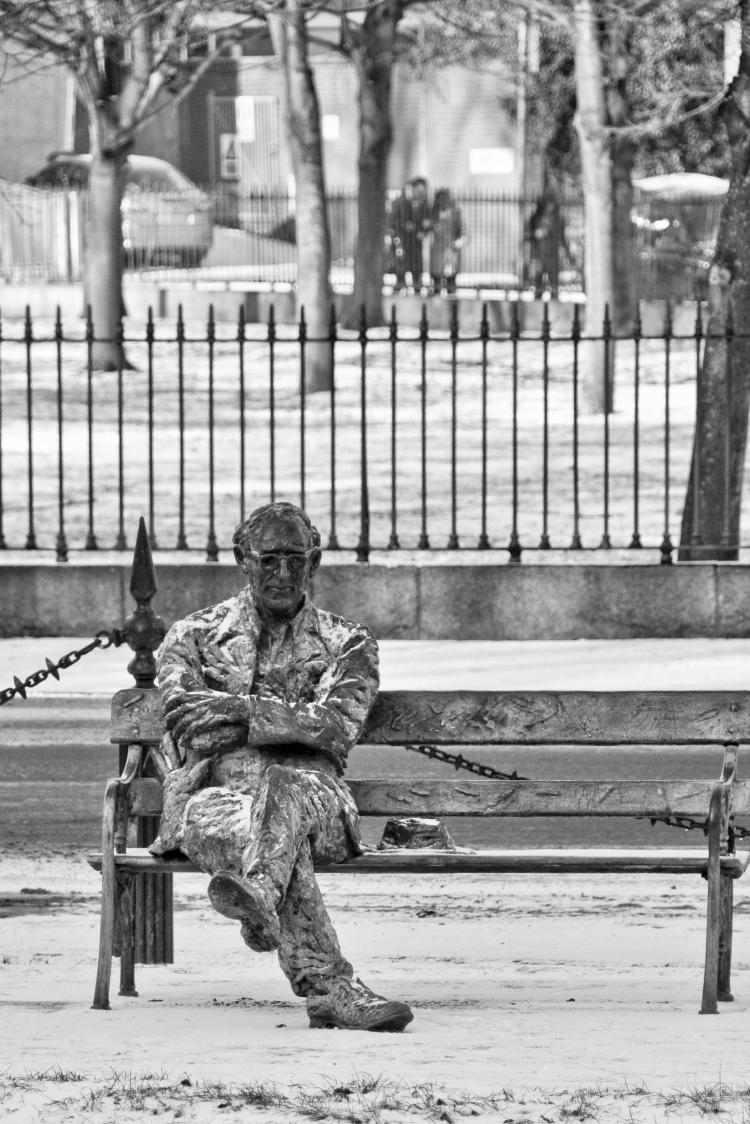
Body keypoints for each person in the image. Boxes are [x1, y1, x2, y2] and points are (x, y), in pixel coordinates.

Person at [150, 501, 413, 1032]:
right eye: (269, 560)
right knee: (250, 826)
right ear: (242, 559)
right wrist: (291, 723)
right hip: (217, 802)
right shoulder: (194, 635)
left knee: (284, 786)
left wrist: (238, 711)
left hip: (316, 802)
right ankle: (331, 990)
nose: (284, 574)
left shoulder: (349, 641)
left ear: (315, 562)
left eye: (297, 560)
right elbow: (186, 725)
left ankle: (262, 899)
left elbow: (336, 727)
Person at [386, 176, 430, 293]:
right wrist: (404, 226)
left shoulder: (424, 205)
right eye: (419, 190)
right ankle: (398, 291)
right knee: (401, 271)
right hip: (401, 242)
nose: (421, 193)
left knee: (416, 272)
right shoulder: (400, 203)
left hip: (416, 243)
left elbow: (426, 222)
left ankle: (417, 291)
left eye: (423, 191)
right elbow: (392, 222)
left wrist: (423, 231)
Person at [428, 187, 464, 295]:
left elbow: (463, 231)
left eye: (445, 198)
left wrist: (458, 242)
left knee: (451, 284)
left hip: (450, 251)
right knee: (436, 283)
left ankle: (452, 307)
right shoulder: (432, 213)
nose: (443, 201)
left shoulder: (456, 212)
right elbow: (427, 228)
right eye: (440, 199)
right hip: (437, 252)